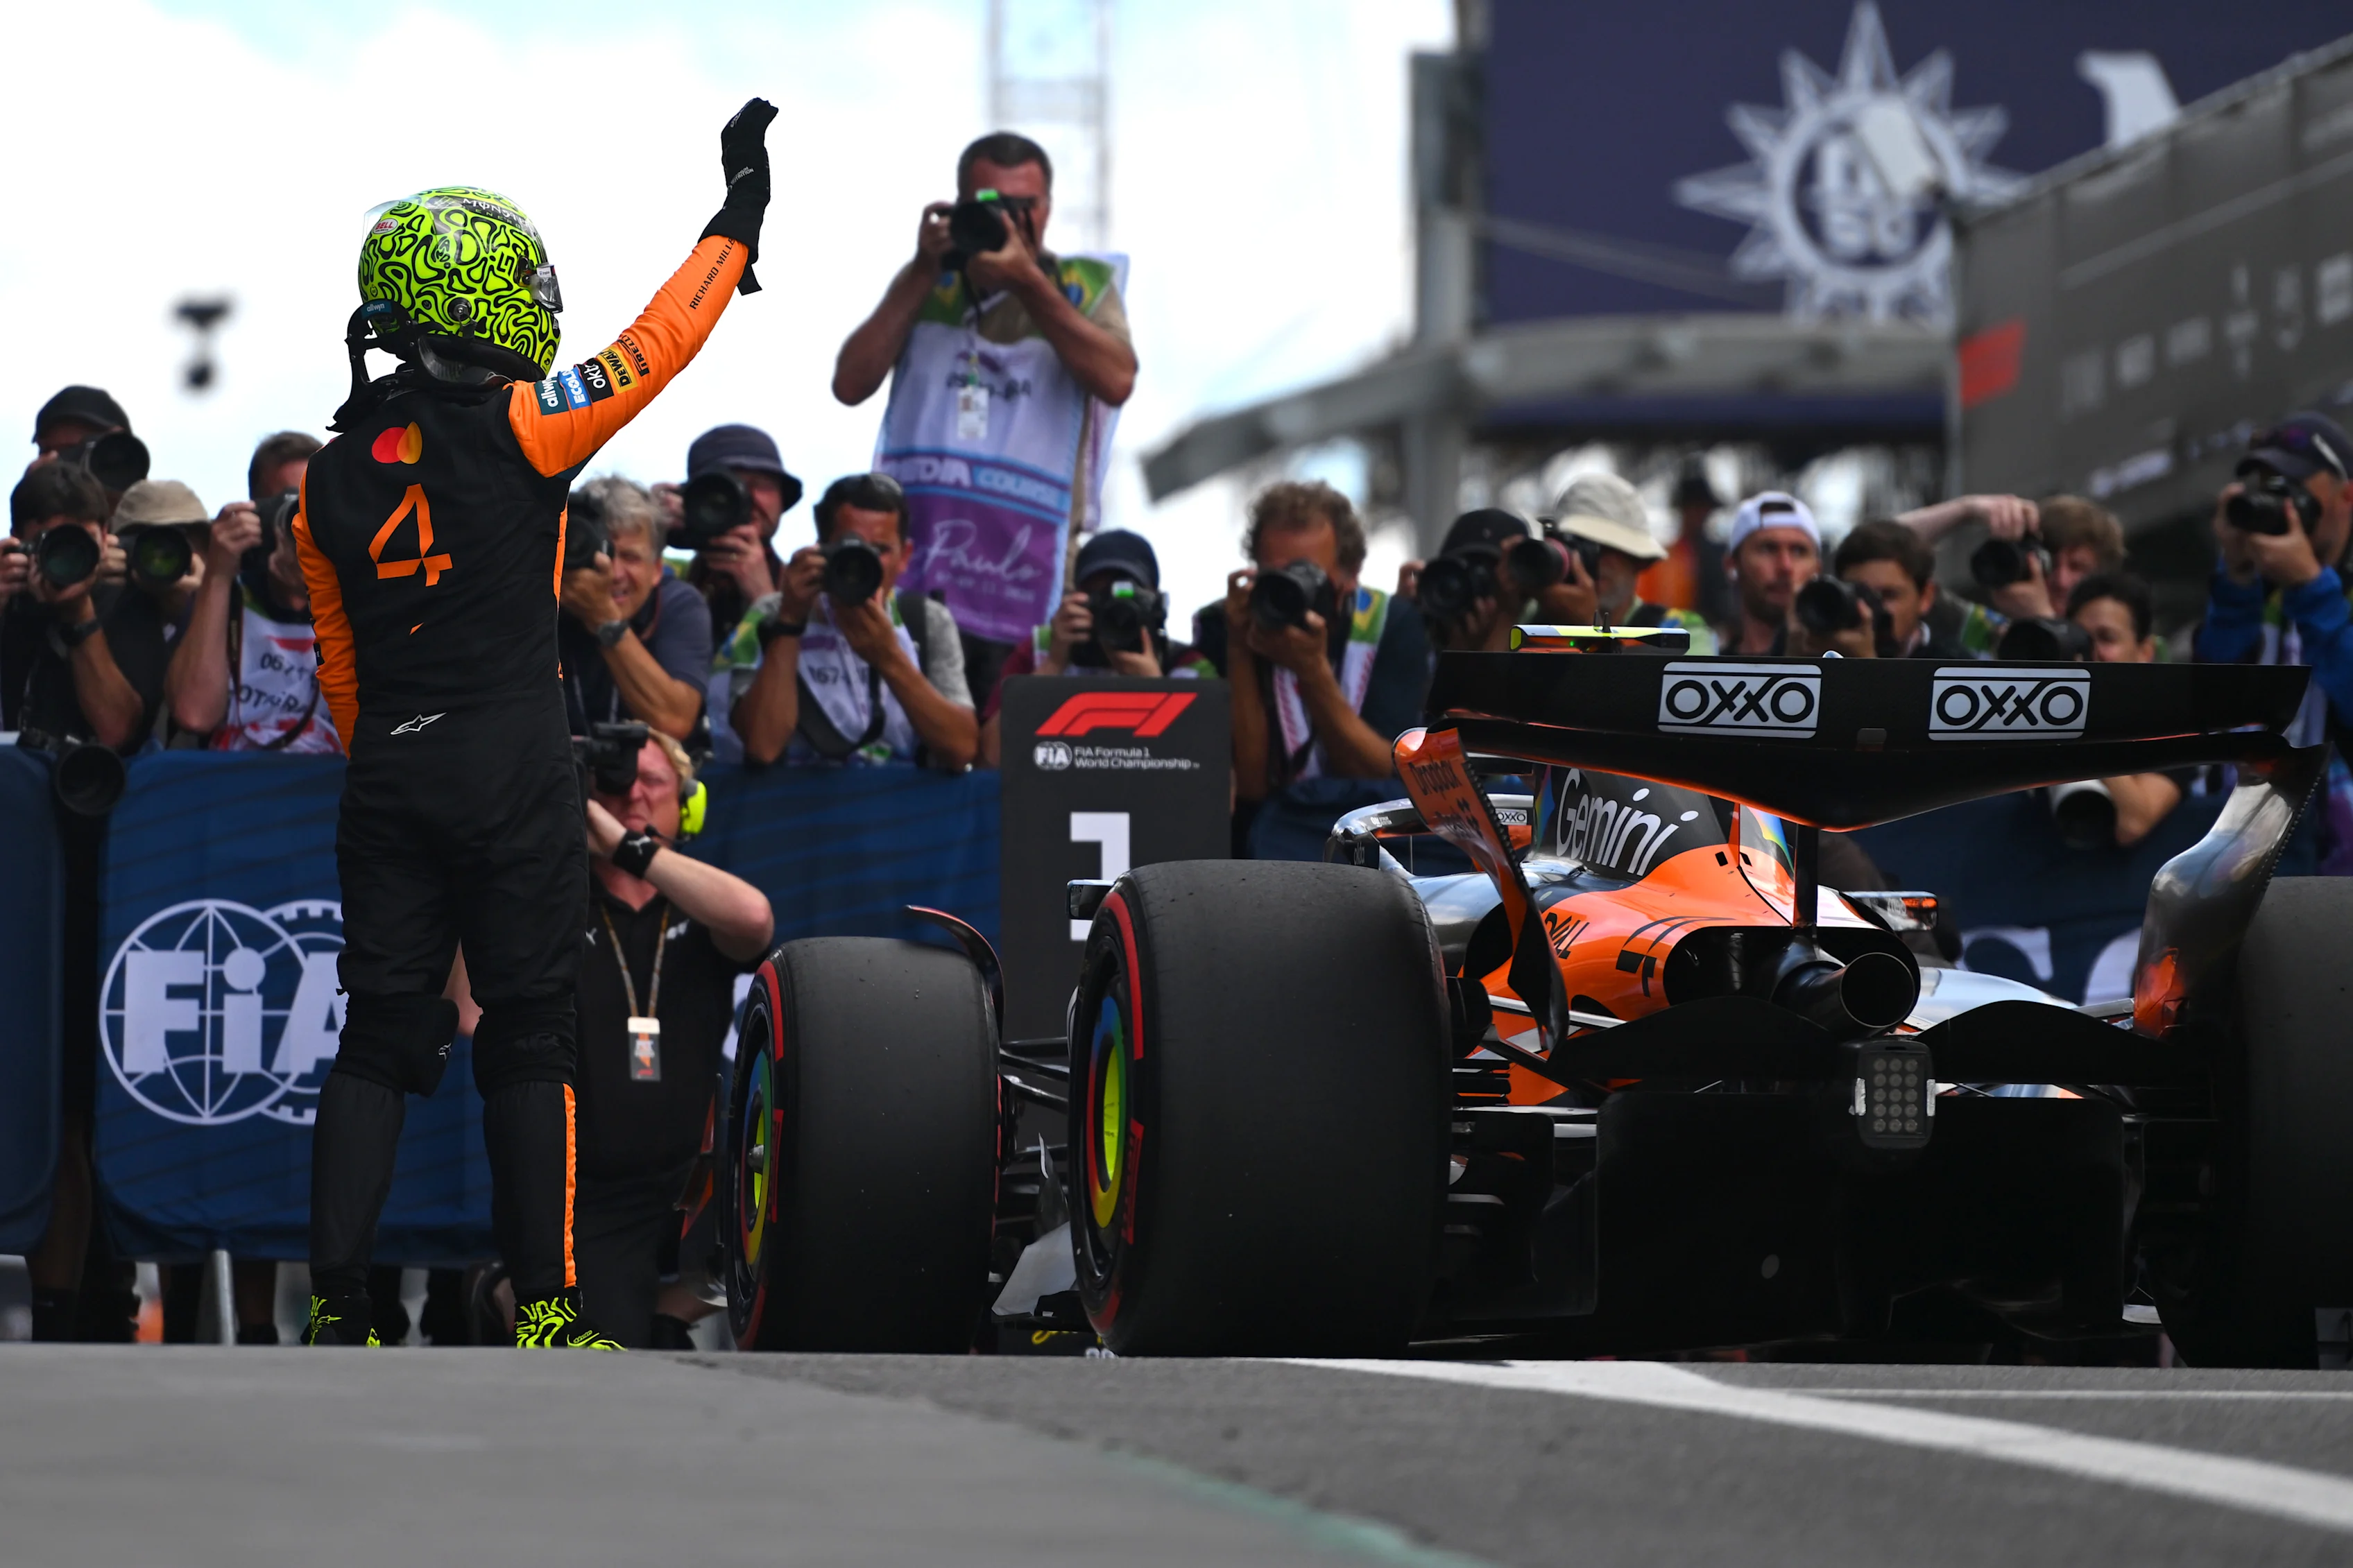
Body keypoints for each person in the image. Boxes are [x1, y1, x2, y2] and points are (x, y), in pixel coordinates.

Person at [291, 98, 776, 1350]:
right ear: (472, 302)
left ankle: (341, 1308)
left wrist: (398, 758)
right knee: (529, 1038)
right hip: (513, 767)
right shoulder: (528, 424)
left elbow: (340, 670)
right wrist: (734, 217)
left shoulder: (326, 478)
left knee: (378, 1036)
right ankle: (550, 1313)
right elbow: (656, 345)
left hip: (390, 771)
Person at [836, 131, 1138, 700]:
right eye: (989, 205)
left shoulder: (1081, 285)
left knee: (1016, 751)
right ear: (957, 203)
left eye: (1023, 207)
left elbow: (1117, 378)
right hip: (917, 569)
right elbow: (850, 383)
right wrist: (924, 269)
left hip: (1033, 574)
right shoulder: (928, 280)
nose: (1008, 220)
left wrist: (1028, 281)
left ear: (1047, 208)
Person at [3, 462, 177, 1342]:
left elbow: (119, 727)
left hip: (94, 887)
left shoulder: (126, 615)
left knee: (71, 1106)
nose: (62, 558)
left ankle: (62, 1312)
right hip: (12, 885)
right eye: (47, 543)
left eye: (81, 538)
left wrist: (76, 619)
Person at [573, 732, 771, 1347]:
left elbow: (754, 919)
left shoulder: (701, 906)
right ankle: (504, 1287)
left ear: (688, 804)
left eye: (653, 781)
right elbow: (472, 1015)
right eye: (616, 782)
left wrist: (625, 846)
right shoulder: (557, 897)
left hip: (698, 1182)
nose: (634, 794)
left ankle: (672, 1310)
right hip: (597, 1190)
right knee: (612, 1350)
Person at [1203, 480, 1430, 861]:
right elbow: (1252, 785)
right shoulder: (1226, 624)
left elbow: (1382, 774)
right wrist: (1240, 648)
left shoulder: (1393, 624)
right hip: (1265, 851)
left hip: (1370, 851)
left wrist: (1313, 672)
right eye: (1276, 575)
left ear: (1348, 578)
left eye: (1307, 574)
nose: (1290, 589)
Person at [724, 472, 977, 770]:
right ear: (820, 548)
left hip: (898, 810)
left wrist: (889, 657)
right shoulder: (771, 613)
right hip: (796, 808)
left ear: (905, 555)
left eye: (880, 550)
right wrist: (791, 622)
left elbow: (961, 750)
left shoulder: (924, 620)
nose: (863, 562)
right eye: (851, 547)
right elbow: (762, 747)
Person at [2191, 413, 2353, 871]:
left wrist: (2311, 587)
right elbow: (2212, 702)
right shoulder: (2259, 594)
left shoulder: (2316, 593)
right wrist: (2237, 580)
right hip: (2250, 865)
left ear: (2347, 496)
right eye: (2266, 487)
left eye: (2293, 486)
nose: (2278, 503)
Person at [977, 528, 1209, 766]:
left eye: (1127, 597)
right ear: (1076, 600)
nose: (1114, 612)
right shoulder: (1042, 650)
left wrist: (1155, 690)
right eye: (1098, 597)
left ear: (1157, 605)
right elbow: (991, 757)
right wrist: (1054, 665)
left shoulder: (1187, 668)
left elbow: (1211, 777)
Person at [167, 467, 341, 755]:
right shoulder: (228, 596)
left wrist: (328, 591)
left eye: (316, 503)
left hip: (328, 786)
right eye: (289, 504)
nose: (301, 522)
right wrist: (218, 574)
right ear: (256, 511)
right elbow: (194, 714)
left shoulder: (355, 595)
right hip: (240, 782)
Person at [558, 476, 711, 741]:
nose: (613, 573)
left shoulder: (679, 604)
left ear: (657, 570)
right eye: (602, 553)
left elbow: (675, 722)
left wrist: (604, 619)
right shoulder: (543, 597)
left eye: (630, 557)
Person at [2067, 570, 2189, 847]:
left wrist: (2075, 718)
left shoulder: (2174, 725)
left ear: (2145, 651)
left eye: (2107, 638)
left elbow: (2133, 822)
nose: (2091, 652)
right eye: (2081, 638)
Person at [1551, 473, 1718, 651]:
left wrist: (1590, 632)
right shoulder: (1528, 620)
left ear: (1638, 560)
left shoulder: (1679, 633)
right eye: (1578, 545)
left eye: (1608, 547)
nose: (1594, 559)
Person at [678, 423, 800, 644]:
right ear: (692, 502)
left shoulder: (808, 592)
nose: (749, 498)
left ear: (782, 498)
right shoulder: (662, 576)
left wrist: (764, 597)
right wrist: (648, 525)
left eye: (763, 484)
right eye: (731, 486)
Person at [1829, 519, 1960, 660]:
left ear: (1925, 597)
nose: (1870, 610)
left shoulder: (1953, 666)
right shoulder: (1821, 650)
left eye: (1888, 595)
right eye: (1860, 593)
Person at [1715, 491, 1823, 656]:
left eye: (1798, 551)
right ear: (1732, 565)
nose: (1785, 566)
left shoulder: (1837, 666)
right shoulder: (1707, 669)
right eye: (1768, 549)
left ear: (1817, 569)